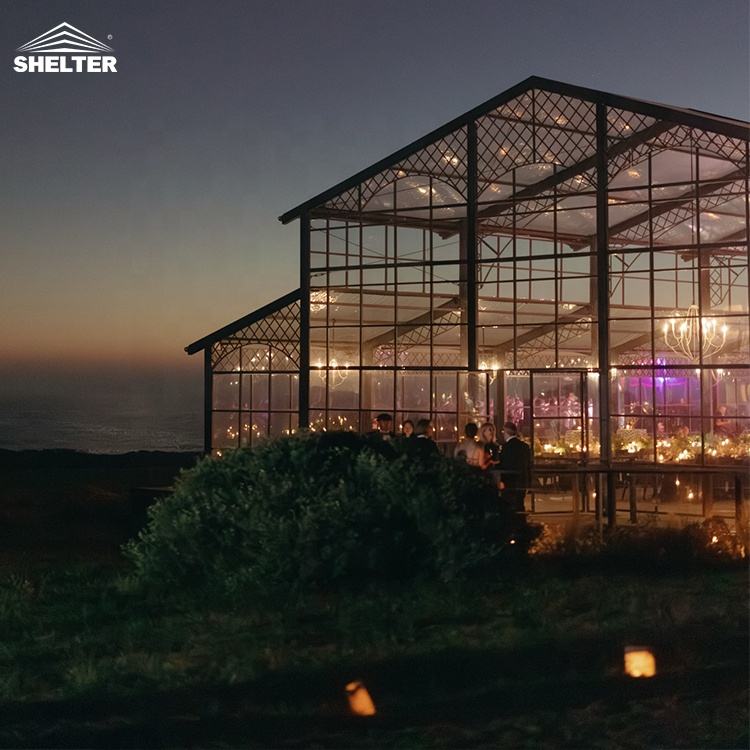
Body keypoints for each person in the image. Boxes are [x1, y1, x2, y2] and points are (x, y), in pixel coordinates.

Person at [497, 421, 531, 512]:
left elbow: (502, 464)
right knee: (520, 504)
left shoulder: (505, 447)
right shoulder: (525, 446)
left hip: (508, 480)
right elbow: (528, 464)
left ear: (506, 432)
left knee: (508, 504)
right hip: (522, 480)